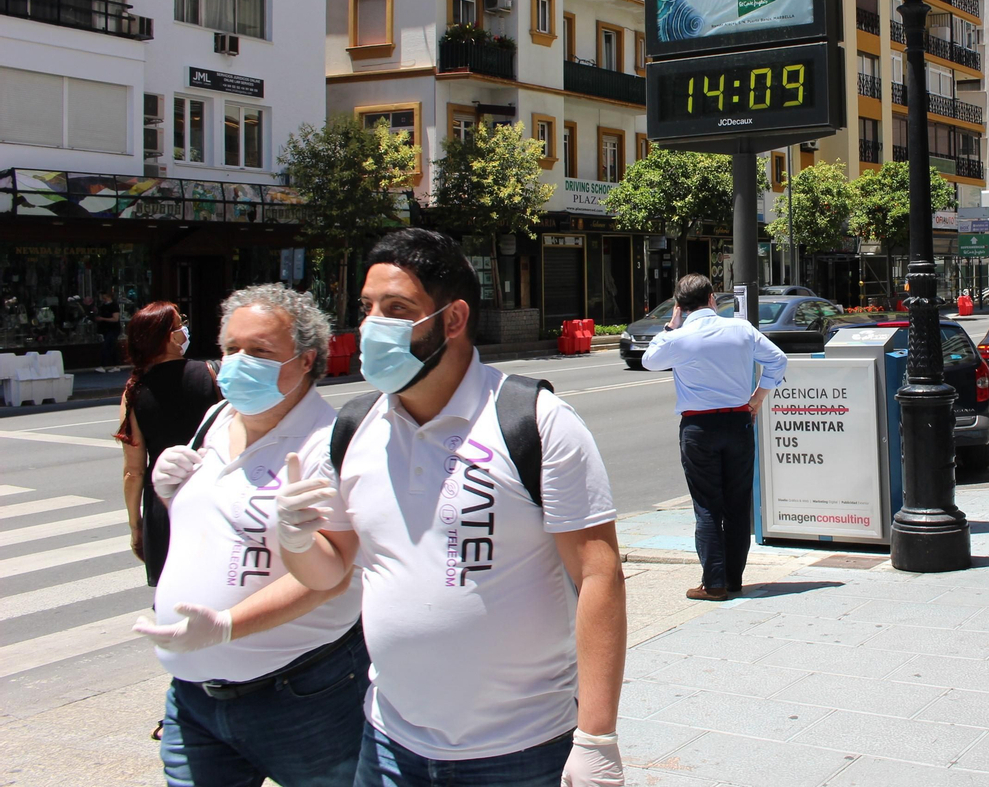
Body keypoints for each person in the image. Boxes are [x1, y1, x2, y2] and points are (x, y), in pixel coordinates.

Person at [274, 228, 626, 787]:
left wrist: (597, 737)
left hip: (522, 750)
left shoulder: (534, 421)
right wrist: (294, 541)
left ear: (453, 319)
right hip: (389, 744)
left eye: (396, 309)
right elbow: (332, 566)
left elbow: (599, 575)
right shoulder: (353, 429)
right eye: (366, 308)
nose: (370, 327)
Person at [134, 284, 368, 787]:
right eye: (231, 350)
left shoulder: (328, 443)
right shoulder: (217, 420)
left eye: (260, 352)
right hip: (194, 697)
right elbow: (218, 530)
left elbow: (333, 574)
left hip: (302, 696)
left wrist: (226, 626)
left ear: (306, 361)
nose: (239, 363)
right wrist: (173, 495)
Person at [642, 273, 788, 601]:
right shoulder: (740, 329)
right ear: (712, 300)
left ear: (679, 306)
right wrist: (758, 397)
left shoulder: (679, 336)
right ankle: (734, 580)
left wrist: (670, 326)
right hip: (738, 422)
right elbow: (778, 360)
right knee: (737, 505)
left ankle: (714, 583)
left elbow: (649, 361)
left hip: (698, 429)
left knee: (707, 506)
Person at [115, 302, 220, 585]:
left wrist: (136, 525)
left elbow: (134, 471)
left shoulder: (134, 391)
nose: (185, 328)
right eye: (180, 323)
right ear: (170, 337)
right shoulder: (214, 374)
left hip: (163, 504)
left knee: (171, 600)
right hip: (213, 498)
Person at [95, 288, 122, 371]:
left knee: (106, 346)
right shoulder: (102, 306)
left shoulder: (114, 305)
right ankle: (116, 365)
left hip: (113, 329)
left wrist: (103, 319)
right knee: (112, 346)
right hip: (106, 329)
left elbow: (115, 319)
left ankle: (103, 365)